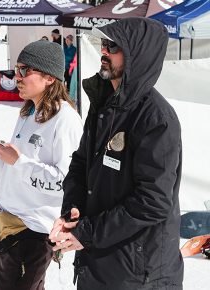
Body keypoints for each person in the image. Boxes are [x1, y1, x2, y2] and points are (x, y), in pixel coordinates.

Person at [49, 17, 184, 290]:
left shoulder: (157, 119)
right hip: (99, 264)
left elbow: (153, 201)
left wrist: (87, 233)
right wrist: (73, 209)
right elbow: (81, 163)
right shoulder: (104, 104)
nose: (103, 52)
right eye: (103, 44)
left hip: (140, 275)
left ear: (137, 56)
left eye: (113, 47)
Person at [0, 40, 83, 290]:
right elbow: (9, 174)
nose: (17, 77)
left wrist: (18, 161)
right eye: (16, 70)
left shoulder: (65, 119)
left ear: (49, 77)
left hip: (34, 231)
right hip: (7, 227)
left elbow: (65, 183)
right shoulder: (27, 114)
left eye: (25, 71)